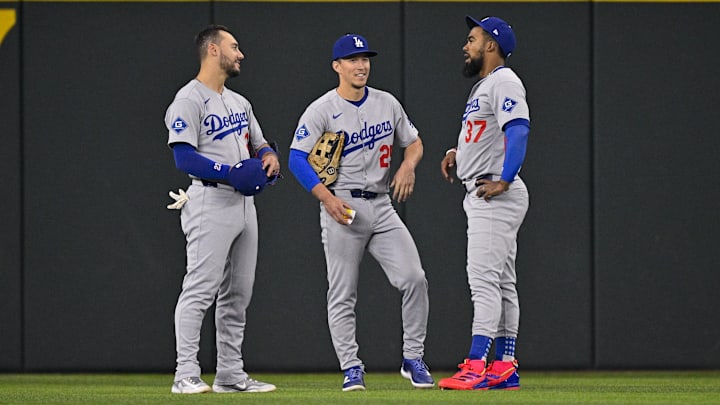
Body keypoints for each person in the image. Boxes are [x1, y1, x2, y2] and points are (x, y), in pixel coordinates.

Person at [288, 33, 433, 391]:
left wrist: (408, 165)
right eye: (353, 59)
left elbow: (414, 143)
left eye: (365, 58)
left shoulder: (387, 103)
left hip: (382, 205)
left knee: (414, 278)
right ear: (337, 66)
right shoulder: (321, 109)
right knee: (343, 293)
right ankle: (351, 367)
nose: (361, 65)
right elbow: (296, 157)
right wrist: (326, 198)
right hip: (343, 206)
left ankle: (413, 357)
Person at [163, 24, 279, 394]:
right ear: (213, 50)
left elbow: (259, 144)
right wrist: (229, 172)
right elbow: (183, 157)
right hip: (209, 199)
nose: (240, 53)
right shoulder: (188, 99)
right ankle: (185, 373)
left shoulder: (239, 102)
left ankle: (230, 374)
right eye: (234, 46)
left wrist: (269, 157)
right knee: (199, 289)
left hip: (244, 204)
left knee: (238, 294)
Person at [438, 15, 531, 391]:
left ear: (490, 45)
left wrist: (505, 179)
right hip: (485, 187)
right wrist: (458, 153)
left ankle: (477, 364)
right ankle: (504, 364)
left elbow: (518, 128)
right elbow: (488, 135)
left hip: (493, 193)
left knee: (484, 282)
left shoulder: (505, 80)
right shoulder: (487, 85)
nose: (467, 45)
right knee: (503, 282)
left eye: (472, 39)